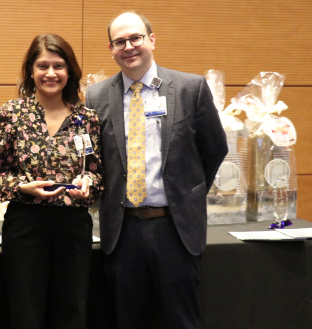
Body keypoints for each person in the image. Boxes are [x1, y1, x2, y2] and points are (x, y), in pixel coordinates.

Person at [85, 11, 228, 329]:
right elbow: (94, 158)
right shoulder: (95, 96)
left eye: (135, 37)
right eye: (119, 41)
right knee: (128, 319)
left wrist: (186, 194)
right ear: (111, 49)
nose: (128, 46)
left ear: (152, 39)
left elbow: (214, 149)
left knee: (181, 320)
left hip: (174, 229)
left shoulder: (190, 88)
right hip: (122, 232)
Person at [0, 34, 104, 329]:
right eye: (43, 66)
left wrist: (88, 184)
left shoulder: (86, 117)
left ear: (70, 71)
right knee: (26, 311)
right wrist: (20, 188)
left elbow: (96, 172)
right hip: (26, 225)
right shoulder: (11, 114)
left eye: (58, 66)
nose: (51, 73)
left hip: (74, 226)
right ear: (31, 70)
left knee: (71, 310)